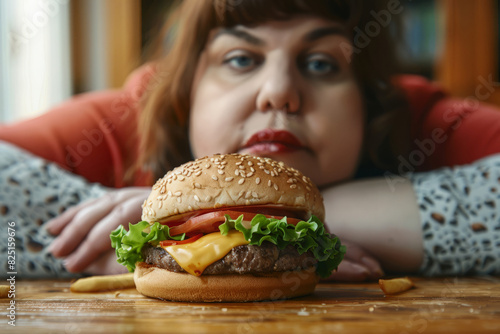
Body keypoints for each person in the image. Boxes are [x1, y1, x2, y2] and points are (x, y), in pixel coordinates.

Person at [1, 0, 499, 279]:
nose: (279, 93)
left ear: (370, 105)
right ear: (186, 93)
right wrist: (152, 250)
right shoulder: (123, 121)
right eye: (241, 59)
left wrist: (278, 224)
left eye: (322, 63)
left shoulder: (423, 122)